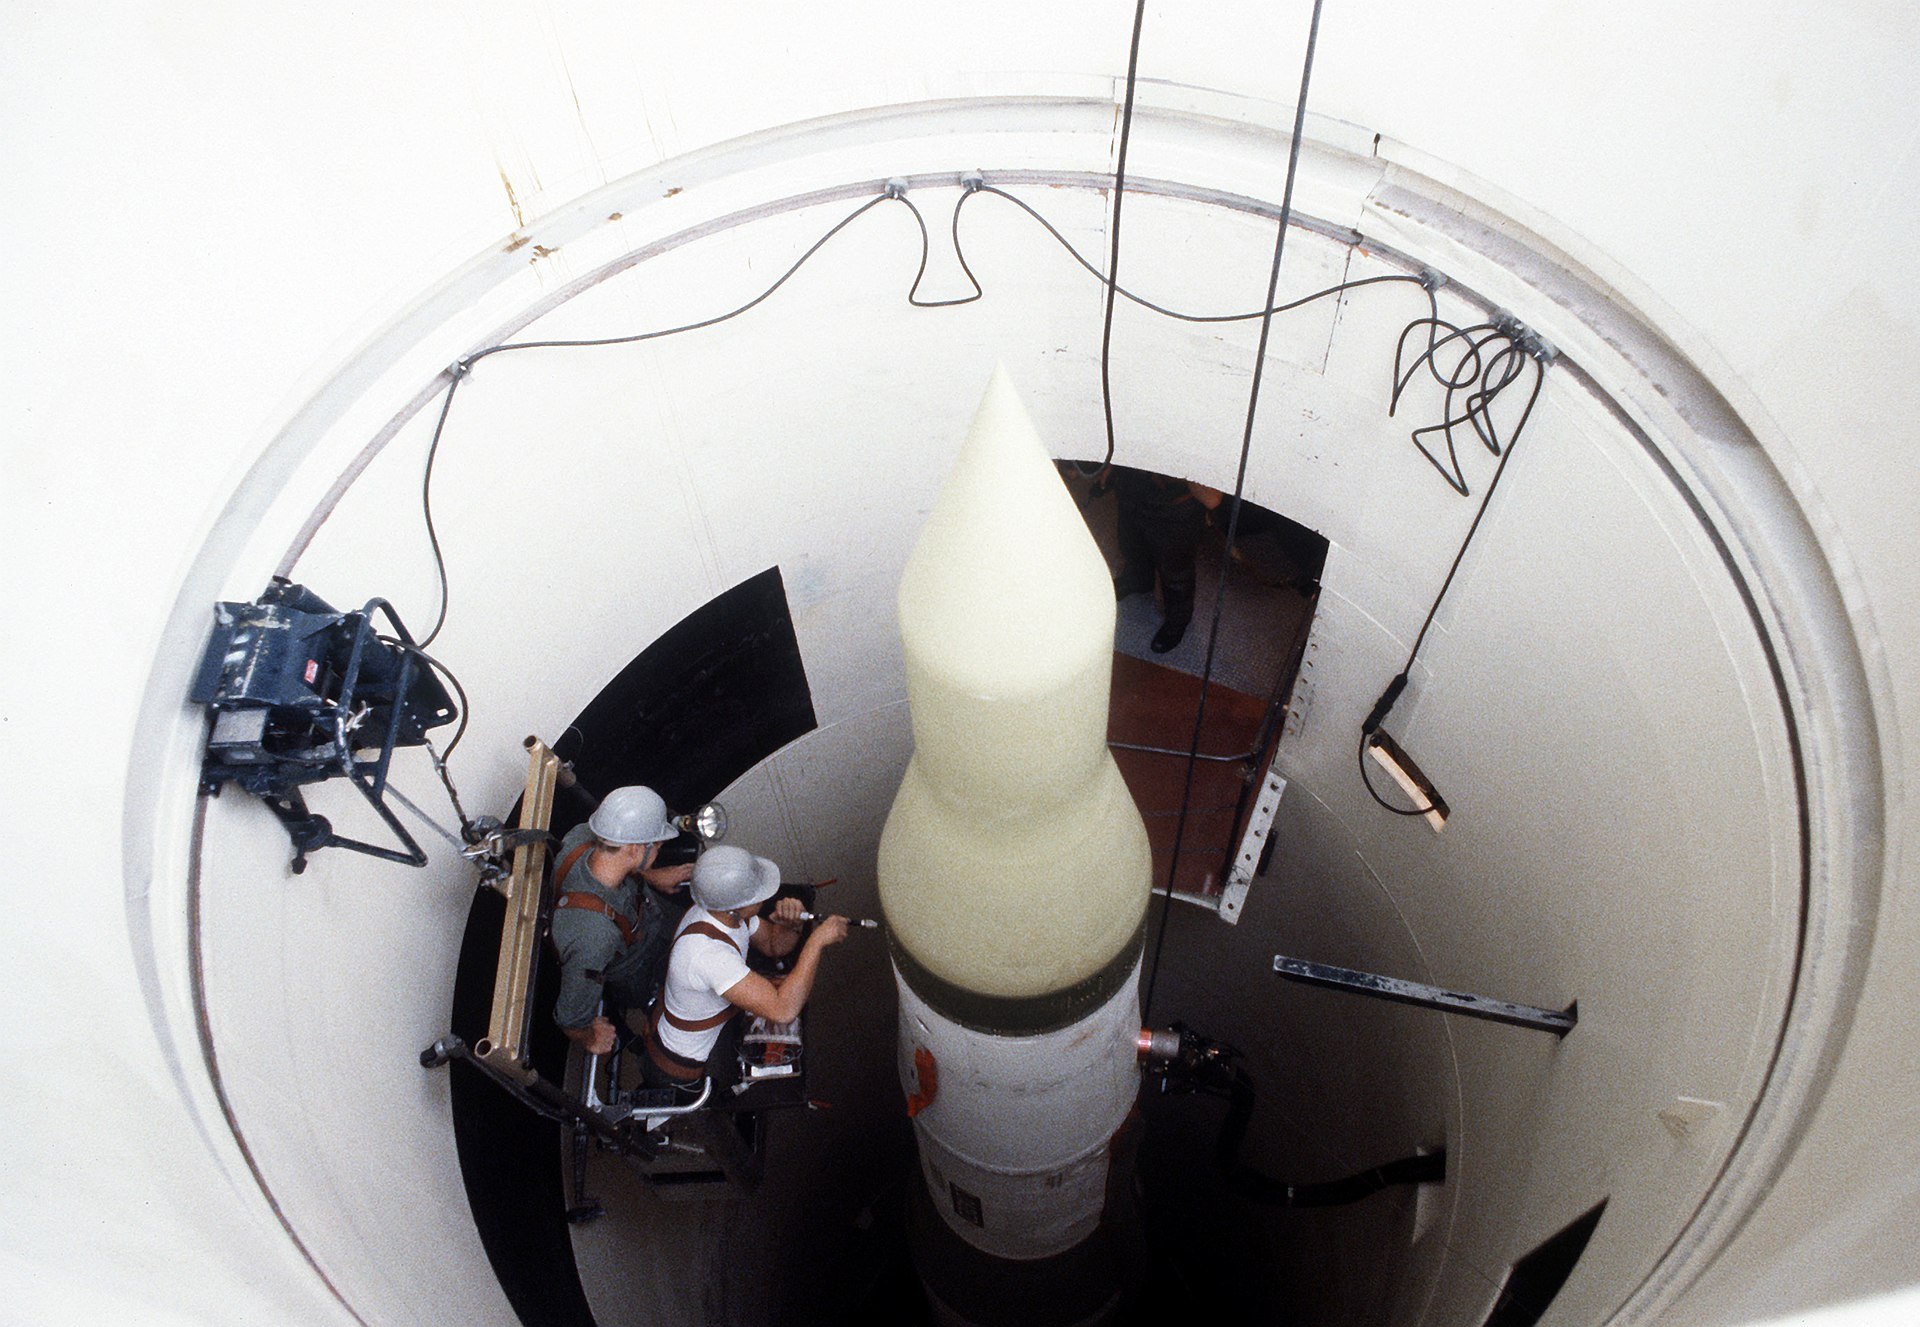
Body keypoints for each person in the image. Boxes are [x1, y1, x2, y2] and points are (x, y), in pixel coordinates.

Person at [643, 844, 850, 1088]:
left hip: (693, 1034)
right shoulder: (708, 953)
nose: (765, 896)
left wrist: (793, 924)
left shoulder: (721, 911)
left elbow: (774, 945)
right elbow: (783, 1010)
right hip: (680, 1068)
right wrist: (816, 942)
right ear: (736, 905)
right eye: (758, 893)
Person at [549, 785, 695, 1056]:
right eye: (658, 845)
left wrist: (653, 875)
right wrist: (589, 1037)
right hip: (636, 968)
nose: (659, 850)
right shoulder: (595, 937)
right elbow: (569, 1018)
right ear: (635, 849)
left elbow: (618, 862)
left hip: (647, 914)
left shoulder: (582, 835)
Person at [1112, 467, 1217, 654]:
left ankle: (1178, 619)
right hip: (1131, 486)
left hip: (1174, 505)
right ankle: (1139, 579)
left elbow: (1212, 499)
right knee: (1131, 544)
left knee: (1175, 572)